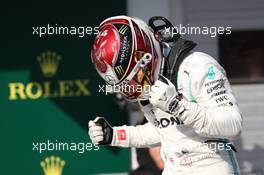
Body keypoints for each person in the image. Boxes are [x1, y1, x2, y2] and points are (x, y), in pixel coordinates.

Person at [88, 16, 242, 174]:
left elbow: (233, 126)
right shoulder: (150, 79)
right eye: (125, 85)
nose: (132, 88)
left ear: (145, 56)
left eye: (133, 78)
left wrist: (178, 106)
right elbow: (164, 130)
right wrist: (114, 135)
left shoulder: (198, 67)